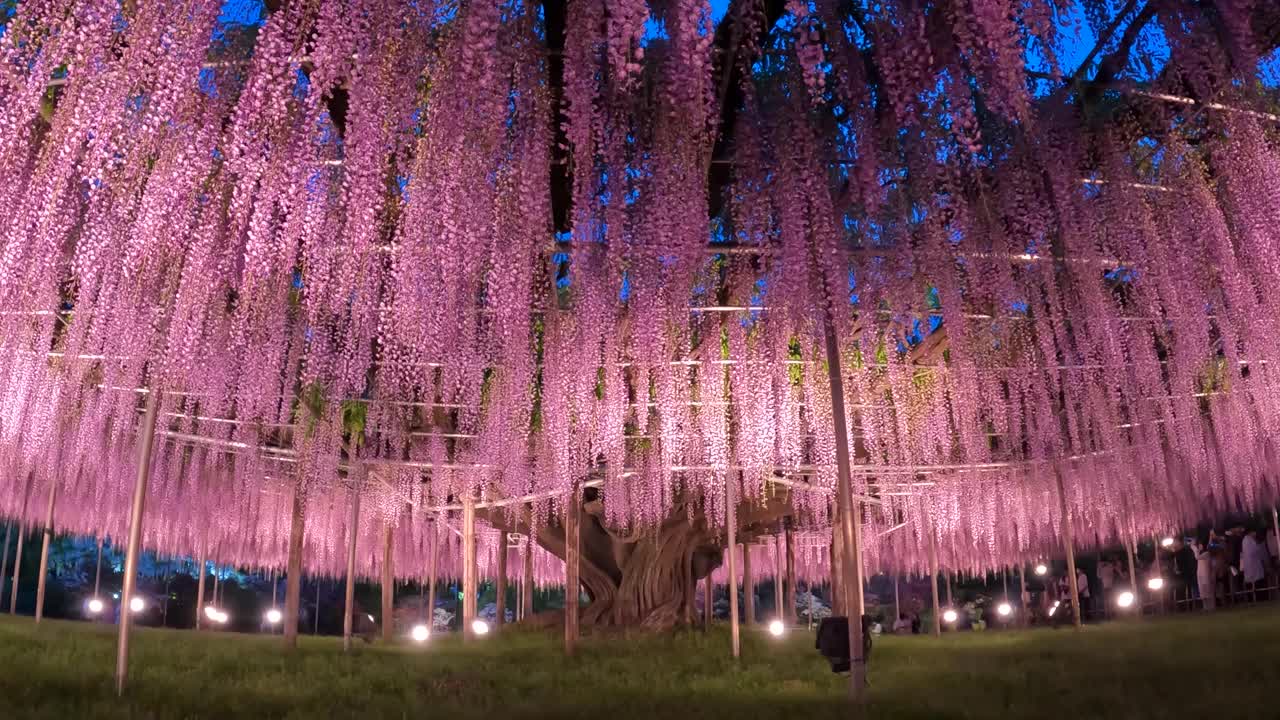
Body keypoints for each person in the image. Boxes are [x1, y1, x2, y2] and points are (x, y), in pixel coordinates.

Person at [1242, 528, 1268, 600]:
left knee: (1255, 585)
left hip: (1252, 569)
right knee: (1256, 587)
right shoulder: (1248, 540)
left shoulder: (1246, 540)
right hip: (1253, 569)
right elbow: (1257, 552)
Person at [1193, 535, 1216, 611]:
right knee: (1202, 590)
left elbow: (1197, 557)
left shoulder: (1207, 554)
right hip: (1200, 574)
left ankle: (1211, 606)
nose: (1199, 546)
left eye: (1200, 545)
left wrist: (1194, 548)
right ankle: (1205, 607)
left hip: (1206, 574)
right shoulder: (1202, 553)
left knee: (1208, 590)